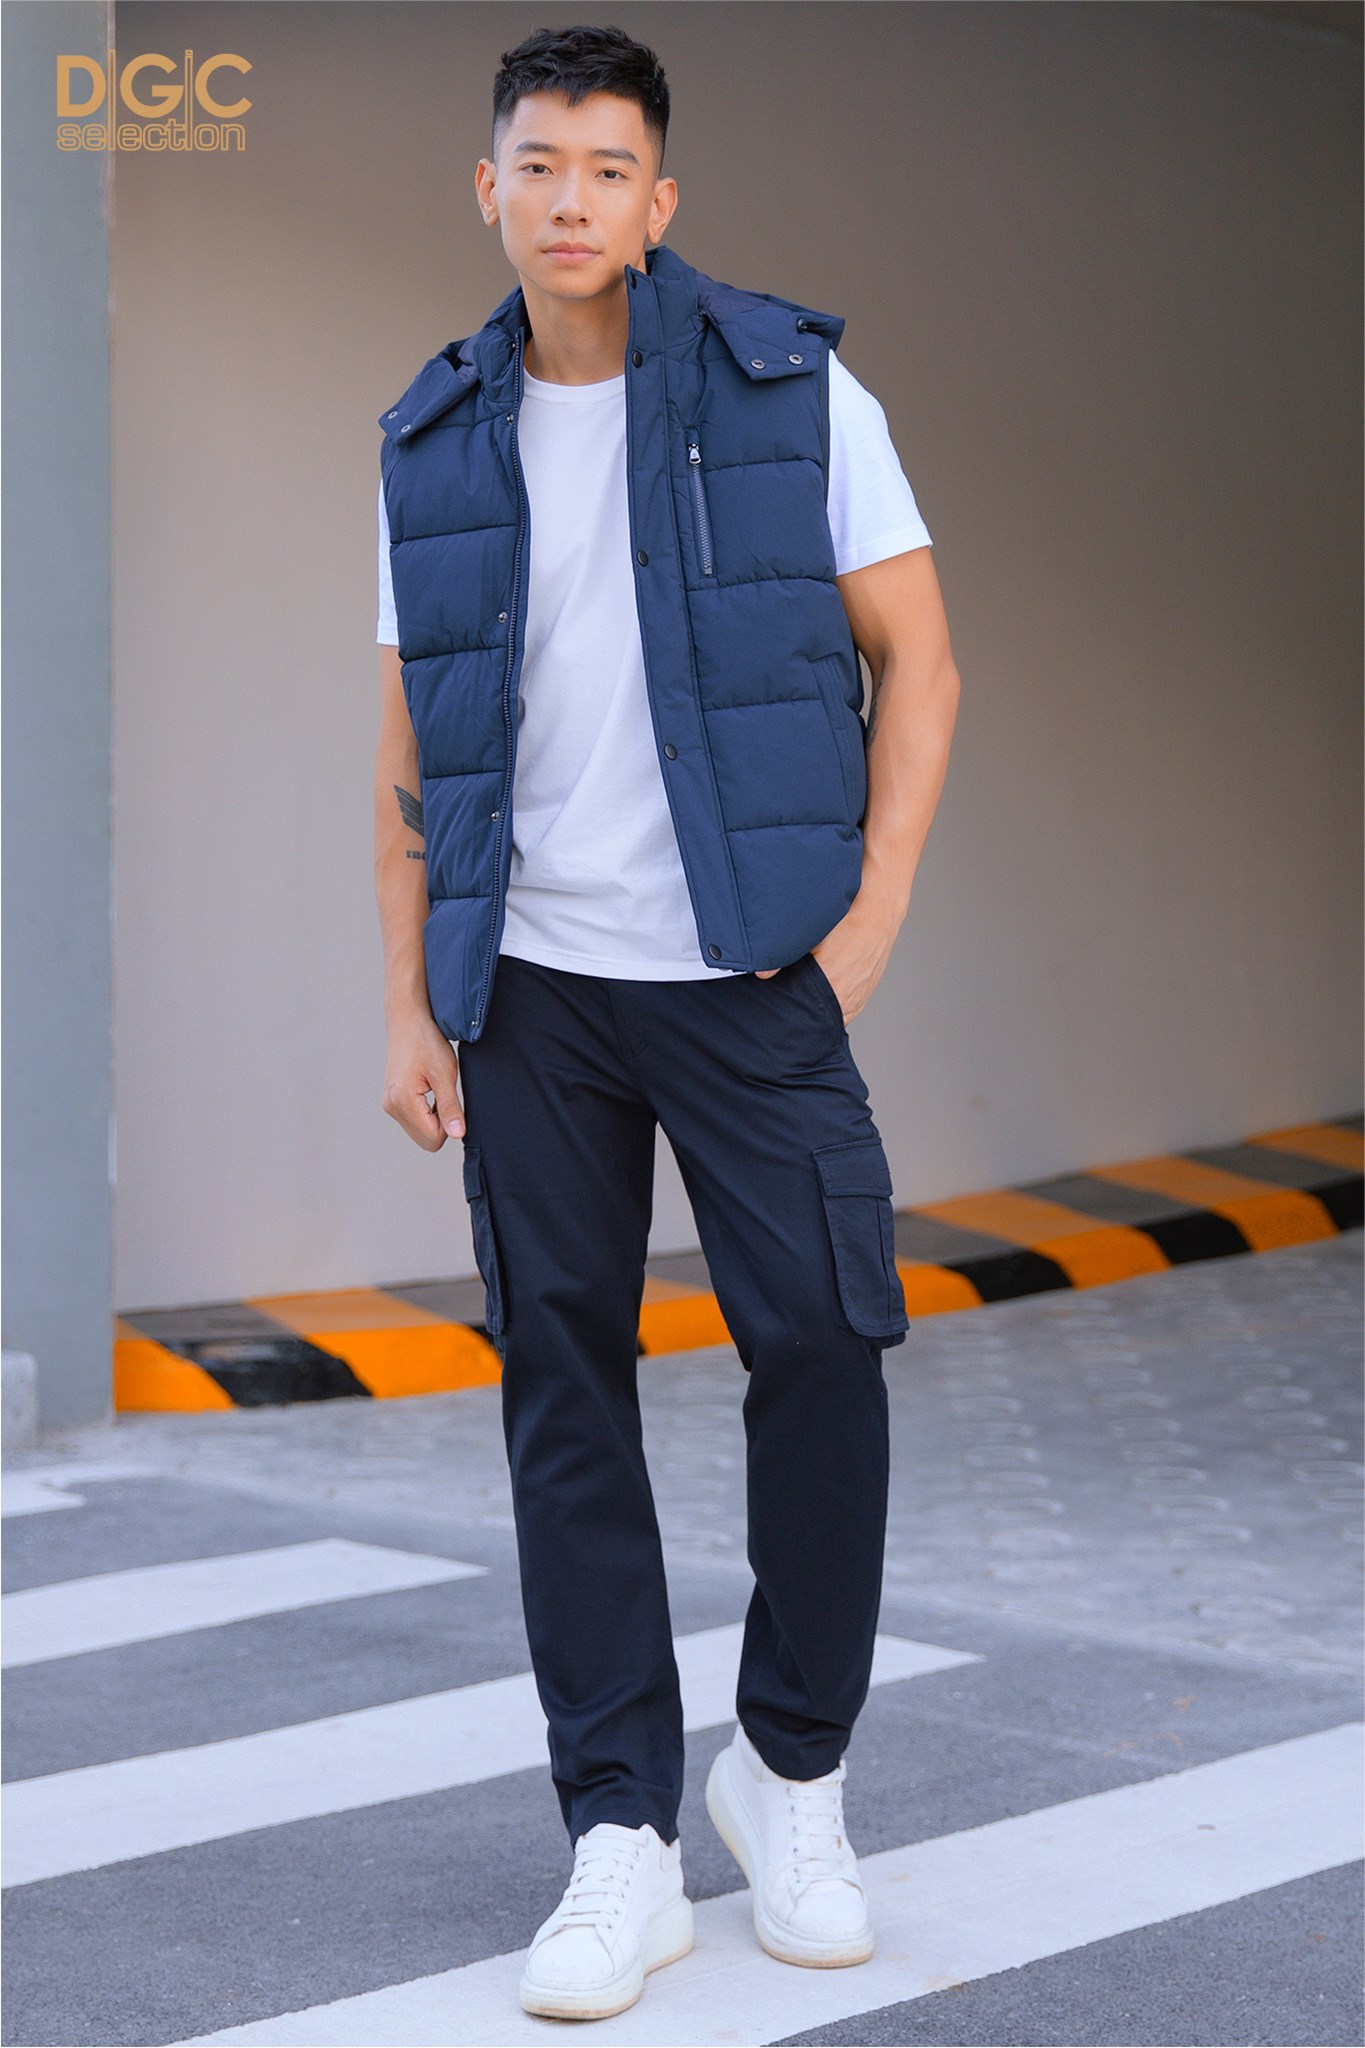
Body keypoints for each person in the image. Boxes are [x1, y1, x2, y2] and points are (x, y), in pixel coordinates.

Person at [373, 21, 960, 2023]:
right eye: (537, 164)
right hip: (532, 990)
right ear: (489, 189)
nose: (569, 200)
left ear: (657, 201)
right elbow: (409, 754)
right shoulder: (431, 437)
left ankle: (787, 1767)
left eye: (606, 169)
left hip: (749, 979)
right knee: (562, 1384)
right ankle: (617, 1829)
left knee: (823, 1343)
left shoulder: (791, 390)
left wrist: (871, 917)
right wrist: (409, 997)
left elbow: (920, 656)